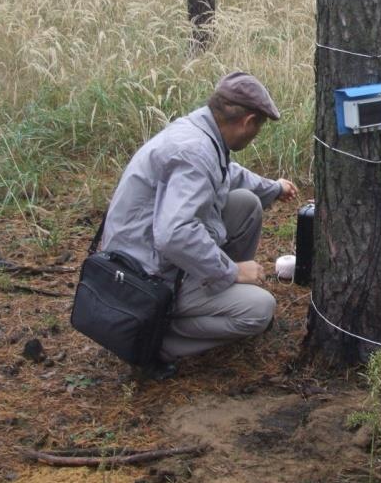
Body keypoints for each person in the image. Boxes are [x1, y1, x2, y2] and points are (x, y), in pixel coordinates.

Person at [99, 71, 297, 375]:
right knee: (260, 310)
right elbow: (174, 234)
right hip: (146, 279)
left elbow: (227, 173)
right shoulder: (195, 151)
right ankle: (154, 339)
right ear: (248, 122)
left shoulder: (198, 131)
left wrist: (273, 187)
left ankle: (215, 295)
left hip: (148, 255)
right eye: (259, 127)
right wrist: (230, 271)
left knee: (246, 204)